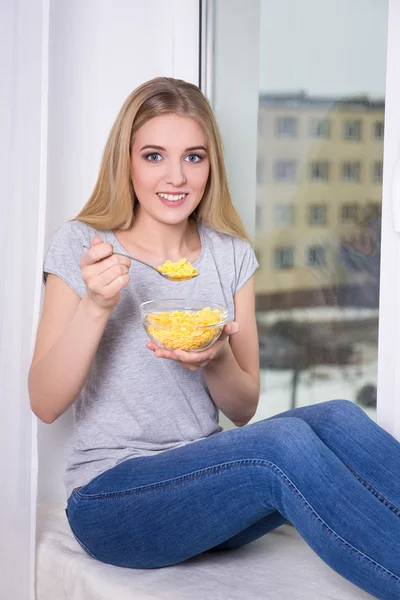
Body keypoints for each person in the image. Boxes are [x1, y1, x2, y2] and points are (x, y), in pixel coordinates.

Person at [28, 77, 400, 600]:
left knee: (338, 414)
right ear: (126, 162)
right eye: (154, 155)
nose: (176, 176)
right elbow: (44, 402)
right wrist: (97, 306)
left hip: (209, 494)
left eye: (194, 157)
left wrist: (216, 356)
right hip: (113, 500)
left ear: (211, 165)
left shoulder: (230, 255)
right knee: (284, 445)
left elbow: (243, 409)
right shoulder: (85, 246)